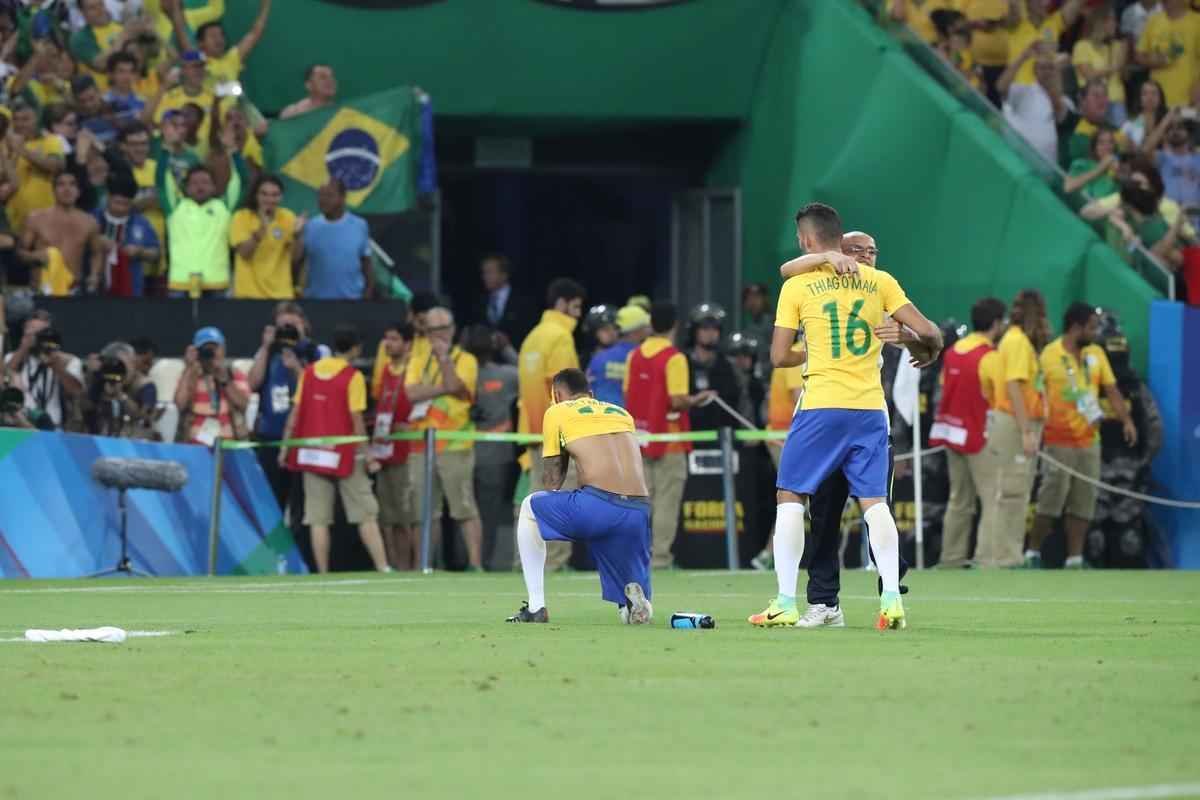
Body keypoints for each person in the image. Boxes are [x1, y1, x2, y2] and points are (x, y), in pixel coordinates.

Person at [750, 202, 942, 631]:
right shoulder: (881, 283)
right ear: (841, 243)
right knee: (875, 504)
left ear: (806, 240)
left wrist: (812, 352)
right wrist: (918, 343)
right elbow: (931, 332)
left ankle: (785, 601)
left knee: (791, 498)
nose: (867, 256)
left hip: (821, 405)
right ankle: (890, 601)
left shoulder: (798, 286)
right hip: (870, 409)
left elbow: (778, 356)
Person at [772, 229, 913, 627]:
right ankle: (826, 602)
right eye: (858, 251)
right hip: (853, 414)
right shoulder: (836, 289)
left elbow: (925, 343)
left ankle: (889, 588)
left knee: (874, 508)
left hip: (856, 414)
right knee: (826, 516)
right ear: (838, 253)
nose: (867, 257)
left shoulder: (879, 291)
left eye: (873, 251)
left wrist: (906, 337)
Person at [507, 367, 653, 625]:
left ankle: (536, 607)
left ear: (556, 395)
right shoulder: (621, 413)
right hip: (638, 512)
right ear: (591, 394)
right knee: (625, 600)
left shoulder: (557, 411)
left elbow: (553, 482)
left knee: (530, 507)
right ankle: (632, 604)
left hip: (598, 506)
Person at [1026, 303, 1138, 568]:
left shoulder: (1096, 353)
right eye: (1091, 327)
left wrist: (1127, 420)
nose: (1096, 332)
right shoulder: (1049, 355)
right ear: (1076, 327)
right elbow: (1035, 395)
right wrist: (1031, 430)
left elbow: (1111, 389)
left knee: (1084, 503)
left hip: (1090, 441)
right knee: (1050, 501)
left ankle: (1075, 559)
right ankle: (1032, 554)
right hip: (1057, 440)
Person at [280, 325, 390, 574]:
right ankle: (383, 567)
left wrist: (285, 449)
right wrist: (368, 455)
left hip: (312, 454)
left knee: (318, 518)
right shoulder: (353, 377)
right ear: (356, 349)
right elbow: (356, 419)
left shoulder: (309, 373)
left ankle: (322, 573)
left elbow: (295, 414)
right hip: (345, 455)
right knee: (365, 513)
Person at [624, 302, 714, 569]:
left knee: (642, 501)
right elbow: (677, 400)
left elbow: (628, 393)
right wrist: (698, 399)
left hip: (640, 438)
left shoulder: (634, 356)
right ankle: (660, 558)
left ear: (651, 324)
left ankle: (636, 556)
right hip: (669, 441)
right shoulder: (674, 358)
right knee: (666, 503)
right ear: (675, 325)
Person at [929, 297, 1007, 568]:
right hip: (979, 435)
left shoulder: (952, 352)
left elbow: (944, 387)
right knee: (992, 498)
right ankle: (987, 559)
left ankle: (951, 559)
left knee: (958, 499)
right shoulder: (991, 356)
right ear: (996, 323)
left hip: (952, 433)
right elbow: (1000, 399)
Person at [404, 307, 484, 570]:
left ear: (452, 329)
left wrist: (444, 359)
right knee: (424, 511)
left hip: (455, 443)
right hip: (421, 444)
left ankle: (475, 565)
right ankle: (424, 565)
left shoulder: (466, 360)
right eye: (432, 330)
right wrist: (444, 388)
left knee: (464, 507)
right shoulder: (417, 359)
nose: (438, 335)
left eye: (443, 329)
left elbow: (459, 387)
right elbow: (411, 394)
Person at [976, 288, 1049, 568]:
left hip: (1014, 421)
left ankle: (996, 556)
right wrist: (1027, 431)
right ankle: (1005, 558)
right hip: (1014, 423)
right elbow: (1013, 386)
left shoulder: (1017, 340)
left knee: (1010, 492)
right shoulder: (1017, 341)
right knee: (1012, 492)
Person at [517, 278, 586, 569]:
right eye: (576, 307)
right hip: (558, 434)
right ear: (561, 304)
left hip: (533, 431)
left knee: (534, 501)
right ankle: (554, 563)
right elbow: (566, 390)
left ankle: (527, 562)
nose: (579, 314)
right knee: (560, 500)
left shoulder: (532, 337)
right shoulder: (560, 337)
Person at [157, 122, 247, 297]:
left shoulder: (224, 207)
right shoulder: (176, 207)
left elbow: (242, 181)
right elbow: (161, 180)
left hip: (217, 284)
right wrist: (166, 148)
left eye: (205, 182)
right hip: (180, 283)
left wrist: (232, 151)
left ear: (214, 187)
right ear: (186, 188)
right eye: (195, 183)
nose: (200, 187)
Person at [247, 302, 321, 509]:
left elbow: (317, 389)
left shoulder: (314, 352)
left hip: (301, 437)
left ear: (304, 324)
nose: (287, 330)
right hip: (270, 435)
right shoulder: (267, 353)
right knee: (270, 501)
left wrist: (297, 366)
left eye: (292, 325)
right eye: (283, 326)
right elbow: (253, 383)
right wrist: (265, 346)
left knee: (302, 504)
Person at [463, 324, 520, 570]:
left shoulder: (457, 375)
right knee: (487, 513)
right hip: (494, 453)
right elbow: (531, 374)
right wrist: (507, 349)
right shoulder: (506, 375)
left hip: (460, 449)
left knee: (463, 512)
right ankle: (482, 562)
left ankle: (465, 561)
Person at [372, 321, 417, 571]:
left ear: (408, 344)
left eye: (394, 339)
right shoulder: (385, 371)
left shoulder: (413, 371)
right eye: (386, 338)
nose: (388, 344)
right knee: (387, 518)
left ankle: (412, 566)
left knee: (405, 515)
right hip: (384, 448)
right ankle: (394, 567)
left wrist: (410, 428)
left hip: (405, 451)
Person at [18, 171, 106, 295]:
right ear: (53, 190)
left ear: (79, 191)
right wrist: (35, 256)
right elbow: (20, 253)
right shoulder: (35, 218)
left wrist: (94, 275)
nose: (67, 189)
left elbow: (97, 253)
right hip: (41, 290)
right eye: (61, 184)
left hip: (73, 291)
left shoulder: (90, 222)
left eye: (72, 184)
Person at [2, 312, 84, 431]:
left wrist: (55, 364)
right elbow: (4, 377)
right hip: (19, 426)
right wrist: (23, 348)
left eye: (40, 333)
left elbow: (75, 391)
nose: (36, 337)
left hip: (53, 427)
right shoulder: (12, 358)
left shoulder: (68, 360)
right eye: (31, 332)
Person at [175, 326, 250, 446]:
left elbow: (243, 404)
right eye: (206, 349)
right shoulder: (190, 375)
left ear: (223, 349)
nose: (210, 353)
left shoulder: (235, 374)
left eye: (214, 348)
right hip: (195, 447)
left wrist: (225, 381)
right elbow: (180, 404)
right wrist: (188, 367)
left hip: (229, 445)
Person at [297, 180, 372, 300]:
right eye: (320, 195)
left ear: (343, 198)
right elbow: (298, 262)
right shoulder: (310, 226)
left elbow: (366, 263)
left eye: (329, 195)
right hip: (316, 301)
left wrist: (367, 294)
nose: (323, 200)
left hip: (352, 300)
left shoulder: (360, 225)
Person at [231, 174, 303, 299]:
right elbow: (244, 253)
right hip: (248, 295)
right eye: (264, 194)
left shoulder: (288, 217)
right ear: (256, 196)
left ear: (281, 197)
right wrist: (260, 233)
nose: (269, 199)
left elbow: (295, 258)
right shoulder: (241, 217)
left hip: (281, 295)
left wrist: (297, 236)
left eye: (275, 195)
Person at [169, 0, 272, 85]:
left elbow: (254, 34)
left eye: (221, 35)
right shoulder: (197, 61)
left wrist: (266, 6)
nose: (219, 39)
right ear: (201, 43)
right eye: (213, 36)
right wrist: (175, 7)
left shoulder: (232, 59)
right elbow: (180, 29)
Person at [1001, 45, 1070, 165]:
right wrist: (1022, 57)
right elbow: (1002, 88)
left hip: (1046, 166)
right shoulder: (1024, 91)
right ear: (1035, 71)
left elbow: (1060, 111)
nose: (1047, 72)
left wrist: (1055, 73)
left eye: (1050, 68)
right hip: (1018, 162)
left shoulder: (1063, 100)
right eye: (1042, 68)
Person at [5, 100, 66, 235]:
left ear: (37, 119)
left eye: (25, 119)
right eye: (16, 120)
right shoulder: (5, 146)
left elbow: (55, 166)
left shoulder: (51, 141)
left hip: (46, 219)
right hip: (13, 222)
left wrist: (22, 150)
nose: (20, 124)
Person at [93, 174, 160, 297]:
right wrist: (94, 241)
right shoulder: (92, 219)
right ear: (108, 198)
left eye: (126, 204)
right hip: (96, 289)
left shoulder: (141, 222)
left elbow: (155, 253)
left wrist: (140, 252)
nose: (121, 209)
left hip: (131, 289)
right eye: (117, 203)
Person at [685, 302, 741, 435]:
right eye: (705, 328)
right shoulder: (683, 363)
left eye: (715, 328)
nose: (711, 333)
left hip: (722, 436)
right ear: (694, 331)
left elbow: (736, 404)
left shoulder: (727, 366)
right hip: (690, 435)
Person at [1136, 0, 1200, 108]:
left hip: (1188, 99)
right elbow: (1139, 55)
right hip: (1157, 101)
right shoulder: (1154, 21)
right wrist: (1153, 62)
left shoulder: (1197, 22)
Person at [1008, 0, 1083, 87]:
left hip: (1046, 88)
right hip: (1018, 87)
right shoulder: (1016, 22)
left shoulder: (1052, 23)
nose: (1045, 3)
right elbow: (1011, 5)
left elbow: (1074, 5)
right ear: (1028, 2)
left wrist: (1056, 60)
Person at [1072, 7, 1127, 126]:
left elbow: (1122, 73)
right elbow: (1089, 75)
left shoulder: (1117, 46)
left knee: (1119, 135)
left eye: (1115, 20)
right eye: (1110, 20)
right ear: (1099, 23)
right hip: (1092, 101)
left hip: (1116, 100)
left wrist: (1119, 50)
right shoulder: (1082, 46)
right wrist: (1112, 68)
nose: (1114, 24)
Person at [587, 304, 649, 408]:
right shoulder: (644, 357)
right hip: (630, 415)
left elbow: (589, 391)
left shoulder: (599, 359)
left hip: (601, 413)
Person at [477, 253, 534, 362]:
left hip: (516, 361)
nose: (485, 277)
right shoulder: (480, 302)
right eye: (484, 272)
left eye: (490, 272)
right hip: (487, 364)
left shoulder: (523, 302)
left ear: (504, 275)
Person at [1064, 130, 1119, 200]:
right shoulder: (1081, 164)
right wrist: (1101, 167)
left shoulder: (1116, 173)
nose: (1107, 147)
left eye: (1110, 142)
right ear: (1094, 147)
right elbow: (1068, 187)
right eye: (1101, 143)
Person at [1120, 79, 1166, 150]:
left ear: (1160, 98)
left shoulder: (1168, 121)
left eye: (1154, 93)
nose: (1149, 97)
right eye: (1145, 93)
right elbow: (1122, 147)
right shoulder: (1130, 123)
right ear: (1139, 98)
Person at [740, 283, 773, 367]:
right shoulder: (747, 329)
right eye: (749, 298)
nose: (753, 302)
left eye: (757, 297)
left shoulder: (775, 323)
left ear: (765, 300)